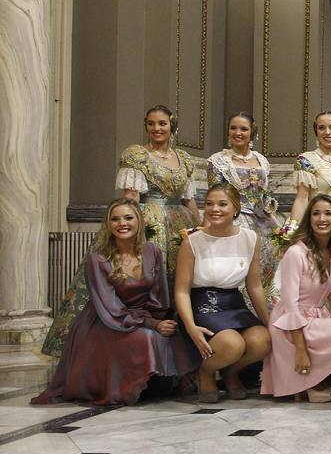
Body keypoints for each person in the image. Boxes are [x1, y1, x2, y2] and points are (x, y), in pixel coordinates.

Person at [42, 104, 201, 359]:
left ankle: (182, 346)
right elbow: (130, 198)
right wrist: (128, 228)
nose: (156, 128)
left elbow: (188, 199)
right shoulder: (136, 156)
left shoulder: (184, 159)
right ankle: (145, 340)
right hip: (148, 224)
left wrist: (199, 225)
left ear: (172, 125)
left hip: (180, 227)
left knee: (180, 281)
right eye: (151, 123)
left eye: (162, 123)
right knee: (149, 280)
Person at [32, 199, 198, 406]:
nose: (122, 223)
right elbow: (111, 307)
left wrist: (162, 322)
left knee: (177, 334)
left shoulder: (151, 251)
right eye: (115, 219)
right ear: (108, 224)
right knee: (147, 338)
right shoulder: (97, 258)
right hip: (106, 321)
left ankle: (160, 387)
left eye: (128, 218)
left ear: (139, 221)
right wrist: (152, 325)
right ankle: (126, 388)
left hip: (142, 316)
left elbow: (159, 295)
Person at [262, 195, 331, 403]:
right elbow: (291, 306)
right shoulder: (296, 253)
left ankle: (321, 377)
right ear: (308, 219)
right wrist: (300, 349)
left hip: (317, 319)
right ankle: (311, 383)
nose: (322, 218)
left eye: (328, 213)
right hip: (291, 326)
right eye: (316, 213)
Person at [174, 183, 272, 403]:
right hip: (202, 305)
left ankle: (230, 372)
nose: (214, 209)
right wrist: (191, 327)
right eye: (209, 204)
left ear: (236, 208)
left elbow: (254, 285)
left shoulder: (250, 238)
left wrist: (268, 322)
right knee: (232, 344)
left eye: (222, 204)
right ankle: (206, 372)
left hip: (233, 304)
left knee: (262, 341)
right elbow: (181, 290)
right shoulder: (192, 241)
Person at [207, 112, 283, 298]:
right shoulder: (218, 161)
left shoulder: (261, 160)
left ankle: (266, 310)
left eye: (243, 129)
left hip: (264, 223)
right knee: (239, 268)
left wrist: (270, 209)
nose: (238, 132)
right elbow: (215, 196)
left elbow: (264, 194)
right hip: (234, 222)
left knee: (269, 266)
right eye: (233, 128)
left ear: (252, 132)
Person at [289, 111, 331, 230]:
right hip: (319, 224)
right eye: (321, 128)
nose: (327, 132)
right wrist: (294, 228)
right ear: (316, 133)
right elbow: (302, 199)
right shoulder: (306, 160)